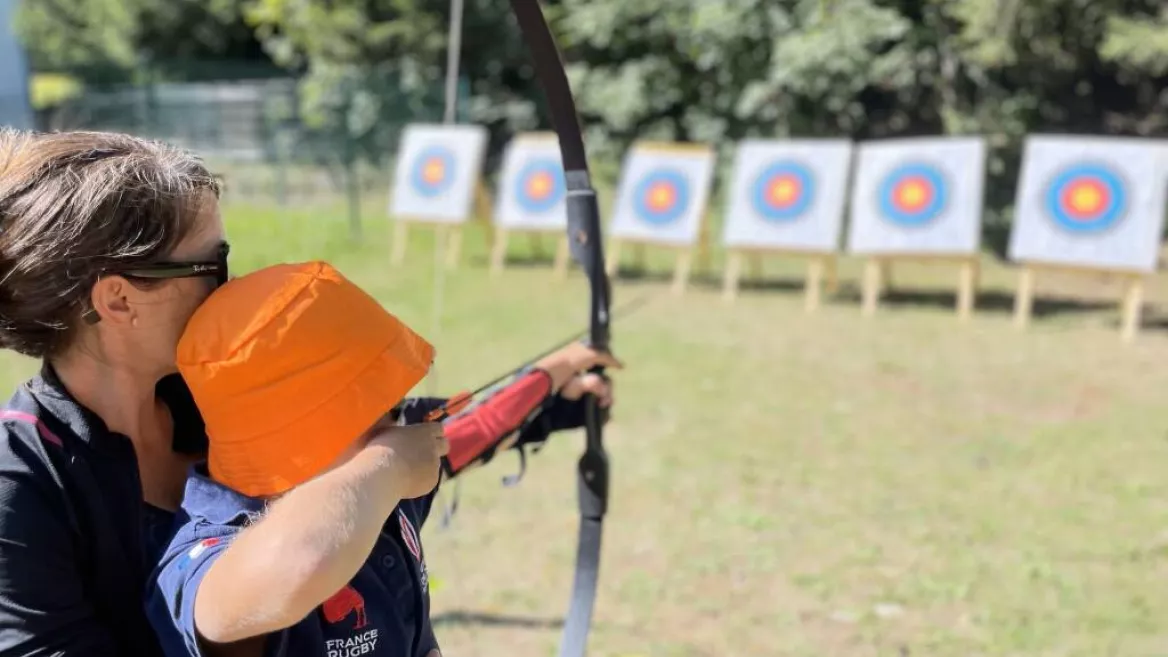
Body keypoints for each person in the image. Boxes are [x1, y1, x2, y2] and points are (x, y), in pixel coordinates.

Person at [0, 128, 618, 656]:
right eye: (211, 265)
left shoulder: (217, 388)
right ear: (119, 300)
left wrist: (550, 393)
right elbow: (370, 475)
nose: (231, 283)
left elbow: (399, 445)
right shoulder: (20, 474)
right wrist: (384, 466)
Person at [150, 260, 594, 657]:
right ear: (304, 434)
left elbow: (469, 430)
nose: (398, 426)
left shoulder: (374, 471)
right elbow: (298, 562)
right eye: (376, 408)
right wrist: (392, 466)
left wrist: (553, 382)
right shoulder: (206, 551)